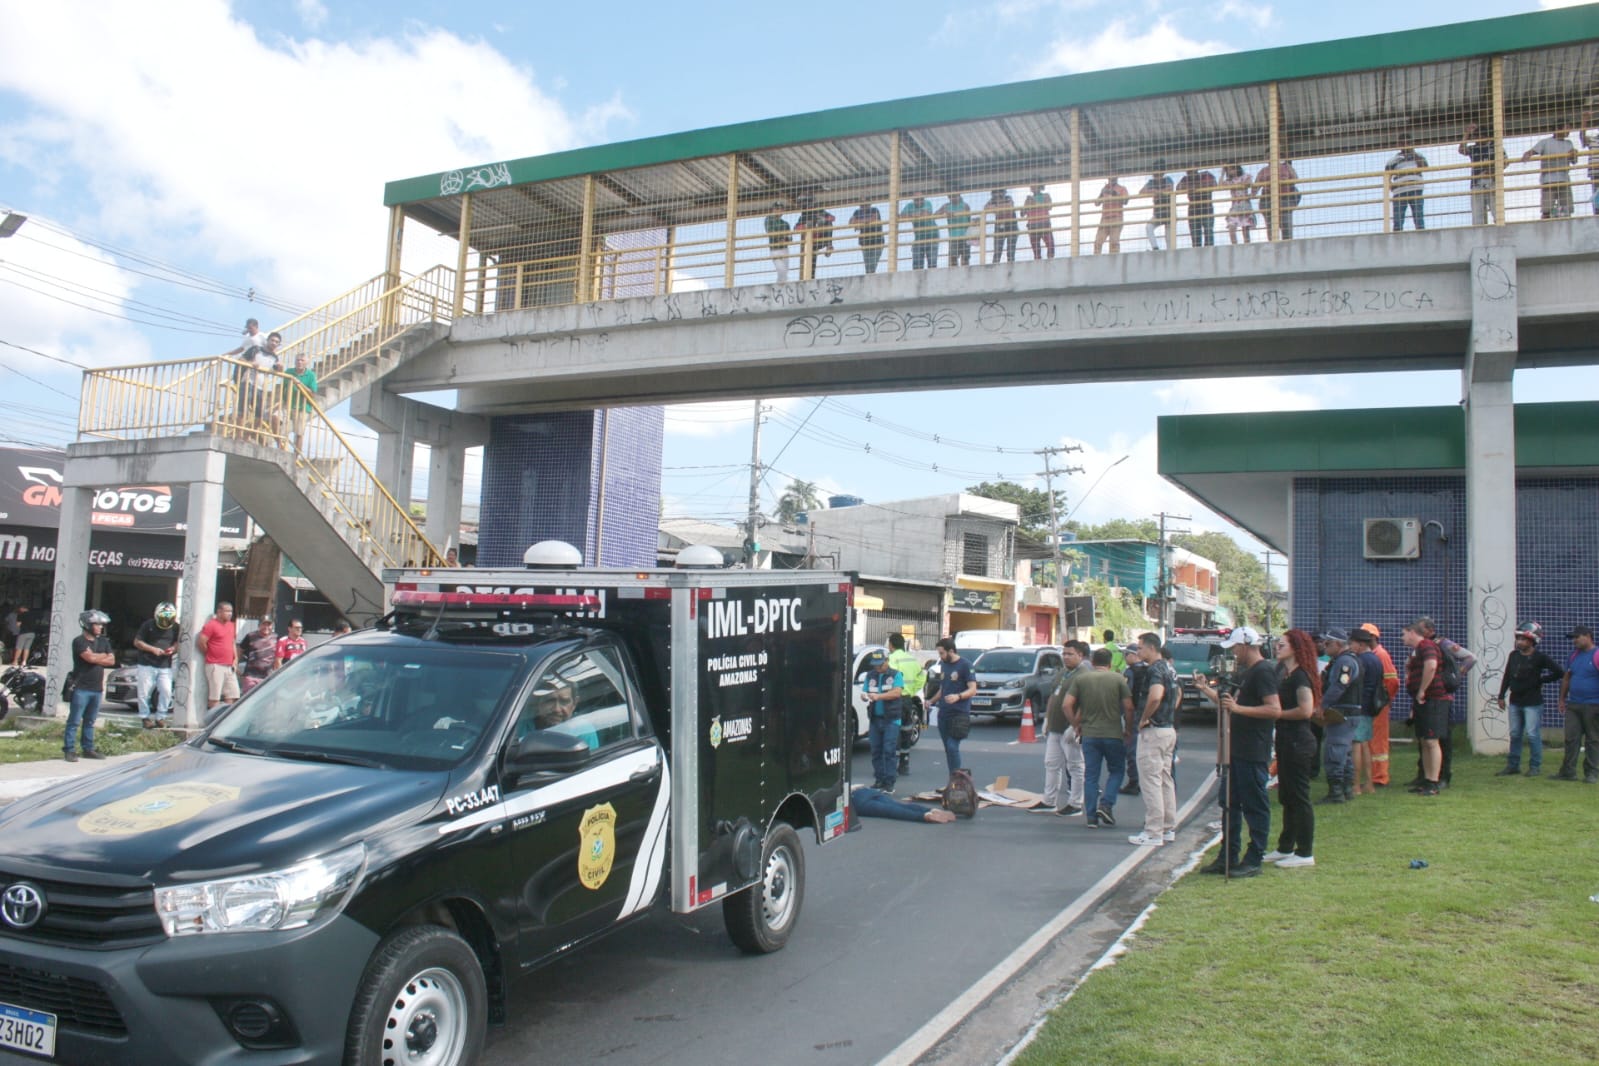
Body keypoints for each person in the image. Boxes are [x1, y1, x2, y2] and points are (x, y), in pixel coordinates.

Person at [1194, 626, 1281, 878]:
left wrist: (1240, 710)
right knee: (1229, 803)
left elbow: (1273, 709)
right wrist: (1205, 690)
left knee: (1254, 804)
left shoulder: (1263, 672)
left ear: (1245, 646)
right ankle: (1228, 855)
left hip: (1253, 749)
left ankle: (1254, 857)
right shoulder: (1246, 673)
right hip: (1236, 748)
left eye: (1234, 648)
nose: (1233, 652)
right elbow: (1229, 705)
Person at [1262, 629, 1320, 868]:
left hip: (1298, 741)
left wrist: (1277, 714)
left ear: (1296, 648)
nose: (1278, 647)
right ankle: (1286, 847)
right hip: (1286, 740)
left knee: (1299, 797)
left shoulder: (1300, 677)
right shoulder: (1285, 674)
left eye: (1283, 644)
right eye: (1277, 644)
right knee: (1286, 795)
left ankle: (1305, 852)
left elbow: (1306, 710)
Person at [1063, 646, 1134, 829]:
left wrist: (1076, 725)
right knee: (1117, 771)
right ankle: (1106, 804)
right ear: (1110, 663)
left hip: (1090, 735)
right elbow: (1128, 707)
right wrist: (1129, 729)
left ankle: (1091, 817)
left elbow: (1067, 705)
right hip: (1113, 733)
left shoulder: (1082, 679)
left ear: (1092, 662)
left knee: (1091, 776)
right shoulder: (1118, 679)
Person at [1128, 632, 1179, 847]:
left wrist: (1145, 718)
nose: (1138, 652)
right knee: (1165, 779)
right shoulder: (1169, 668)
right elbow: (1175, 696)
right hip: (1168, 728)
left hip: (1154, 731)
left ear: (1151, 648)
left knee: (1151, 781)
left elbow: (1156, 695)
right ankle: (1168, 827)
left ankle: (1153, 831)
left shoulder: (1155, 669)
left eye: (1140, 648)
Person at [1495, 622, 1561, 777]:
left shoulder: (1540, 657)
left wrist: (1541, 680)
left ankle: (1535, 766)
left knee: (1532, 734)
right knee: (1515, 733)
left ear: (1533, 641)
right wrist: (1501, 695)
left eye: (1523, 639)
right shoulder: (1514, 655)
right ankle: (1513, 765)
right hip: (1515, 701)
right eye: (1518, 638)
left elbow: (1559, 672)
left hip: (1533, 702)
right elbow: (1507, 676)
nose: (1520, 642)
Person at [1037, 640, 1089, 816]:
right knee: (1051, 764)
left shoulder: (1083, 675)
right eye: (1064, 654)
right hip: (1055, 726)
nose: (1066, 657)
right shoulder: (1063, 672)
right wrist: (1046, 719)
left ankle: (1075, 803)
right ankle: (1049, 800)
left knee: (1075, 766)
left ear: (1080, 656)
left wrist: (1075, 726)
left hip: (1070, 728)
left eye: (1070, 654)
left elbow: (1084, 704)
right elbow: (1054, 695)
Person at [1402, 619, 1449, 796]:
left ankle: (1433, 782)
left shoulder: (1426, 645)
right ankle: (1427, 779)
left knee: (1431, 740)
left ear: (1412, 632)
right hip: (1422, 701)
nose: (1402, 638)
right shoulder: (1417, 650)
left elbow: (1431, 665)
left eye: (1404, 634)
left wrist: (1422, 690)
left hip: (1433, 700)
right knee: (1424, 740)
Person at [1316, 628, 1362, 803]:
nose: (1324, 647)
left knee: (1334, 751)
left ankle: (1336, 792)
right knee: (1345, 752)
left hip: (1343, 712)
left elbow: (1339, 687)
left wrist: (1323, 705)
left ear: (1337, 644)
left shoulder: (1345, 662)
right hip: (1347, 712)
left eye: (1327, 643)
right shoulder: (1344, 660)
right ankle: (1346, 789)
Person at [64, 609, 115, 762]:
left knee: (90, 721)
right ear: (87, 625)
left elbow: (112, 660)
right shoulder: (79, 641)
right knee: (74, 720)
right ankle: (69, 749)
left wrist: (96, 657)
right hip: (81, 687)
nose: (100, 627)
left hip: (97, 689)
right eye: (96, 624)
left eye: (100, 624)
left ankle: (88, 748)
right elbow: (89, 658)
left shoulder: (103, 641)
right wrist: (101, 656)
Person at [1555, 623, 1599, 783]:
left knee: (1593, 739)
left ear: (1587, 636)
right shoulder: (1573, 656)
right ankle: (1568, 771)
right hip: (1574, 704)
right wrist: (1562, 699)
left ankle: (1591, 773)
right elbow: (1567, 678)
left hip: (1594, 705)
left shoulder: (1597, 654)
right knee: (1571, 738)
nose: (1574, 641)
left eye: (1576, 637)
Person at [1346, 625, 1386, 794]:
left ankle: (1355, 785)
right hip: (1370, 706)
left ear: (1361, 645)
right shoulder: (1376, 659)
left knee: (1356, 743)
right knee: (1365, 745)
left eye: (1352, 643)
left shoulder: (1360, 660)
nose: (1350, 646)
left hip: (1360, 706)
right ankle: (1368, 784)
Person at [1360, 622, 1399, 786]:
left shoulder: (1380, 655)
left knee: (1378, 741)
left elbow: (1393, 681)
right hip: (1376, 703)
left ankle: (1380, 776)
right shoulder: (1375, 654)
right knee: (1371, 740)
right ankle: (1375, 775)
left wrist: (1385, 700)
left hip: (1378, 705)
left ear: (1373, 638)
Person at [132, 601, 179, 728]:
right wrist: (152, 649)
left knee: (166, 691)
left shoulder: (175, 627)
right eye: (163, 619)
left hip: (164, 664)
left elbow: (178, 642)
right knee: (144, 692)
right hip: (146, 663)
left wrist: (173, 649)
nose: (165, 622)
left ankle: (161, 717)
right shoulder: (148, 625)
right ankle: (144, 717)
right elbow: (137, 642)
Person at [861, 650, 903, 792]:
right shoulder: (870, 675)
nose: (877, 668)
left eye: (880, 665)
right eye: (875, 665)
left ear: (887, 661)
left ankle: (889, 782)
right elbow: (865, 690)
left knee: (889, 750)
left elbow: (897, 692)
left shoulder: (896, 674)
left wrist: (879, 696)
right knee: (876, 750)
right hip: (875, 719)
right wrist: (864, 695)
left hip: (891, 719)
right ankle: (879, 779)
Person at [931, 637, 976, 771]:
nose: (940, 657)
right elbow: (943, 688)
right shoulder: (944, 665)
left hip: (959, 713)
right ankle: (953, 780)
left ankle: (956, 780)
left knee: (952, 746)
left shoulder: (965, 665)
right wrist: (931, 701)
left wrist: (958, 696)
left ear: (951, 651)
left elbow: (973, 689)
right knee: (948, 749)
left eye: (942, 653)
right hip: (943, 713)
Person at [1521, 125, 1577, 220]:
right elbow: (1532, 152)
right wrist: (1527, 154)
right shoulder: (1545, 142)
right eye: (1567, 128)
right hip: (1548, 180)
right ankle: (1546, 228)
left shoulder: (1569, 143)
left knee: (1565, 208)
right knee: (1546, 209)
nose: (1569, 131)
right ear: (1558, 129)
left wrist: (1574, 154)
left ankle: (1563, 225)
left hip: (1564, 179)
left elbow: (1574, 161)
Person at [1458, 124, 1503, 226]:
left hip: (1492, 183)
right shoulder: (1474, 148)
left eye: (1479, 136)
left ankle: (1501, 230)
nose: (1477, 139)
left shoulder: (1495, 146)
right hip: (1477, 184)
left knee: (1497, 213)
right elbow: (1461, 150)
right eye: (1475, 137)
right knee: (1477, 217)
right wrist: (1466, 134)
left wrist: (1490, 171)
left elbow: (1505, 162)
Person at [533, 680, 600, 750]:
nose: (557, 709)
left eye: (564, 702)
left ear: (575, 703)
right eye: (550, 701)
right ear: (538, 702)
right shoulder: (521, 724)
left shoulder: (583, 731)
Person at [197, 601, 240, 709]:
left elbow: (232, 642)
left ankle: (226, 720)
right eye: (227, 611)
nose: (230, 614)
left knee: (233, 694)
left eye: (231, 611)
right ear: (219, 612)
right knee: (215, 696)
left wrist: (235, 659)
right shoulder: (211, 625)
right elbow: (201, 642)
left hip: (229, 665)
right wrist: (210, 653)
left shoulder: (231, 625)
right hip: (215, 665)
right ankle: (213, 721)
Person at [1120, 642, 1147, 796]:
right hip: (1147, 714)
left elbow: (1126, 695)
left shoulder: (1130, 673)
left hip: (1135, 713)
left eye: (1126, 654)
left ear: (1133, 655)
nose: (1124, 658)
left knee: (1131, 748)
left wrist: (1127, 724)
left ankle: (1134, 781)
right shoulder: (1148, 669)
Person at [851, 786, 956, 823]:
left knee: (890, 810)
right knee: (897, 805)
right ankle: (929, 810)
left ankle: (925, 816)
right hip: (862, 791)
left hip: (854, 801)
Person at [1385, 146, 1429, 231]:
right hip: (1399, 191)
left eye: (1408, 143)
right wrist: (1390, 185)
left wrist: (1413, 154)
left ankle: (1421, 233)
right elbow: (1386, 174)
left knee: (1418, 215)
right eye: (1403, 143)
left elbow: (1425, 166)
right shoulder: (1394, 159)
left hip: (1415, 188)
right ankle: (1397, 236)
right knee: (1398, 219)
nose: (1406, 145)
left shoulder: (1418, 156)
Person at [1255, 158, 1301, 240]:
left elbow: (1295, 180)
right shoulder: (1263, 170)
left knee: (1286, 225)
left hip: (1284, 198)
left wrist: (1284, 180)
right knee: (1271, 226)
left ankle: (1287, 245)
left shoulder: (1286, 167)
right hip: (1268, 200)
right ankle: (1273, 244)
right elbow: (1255, 187)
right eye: (1267, 156)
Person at [284, 349, 318, 448]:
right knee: (276, 420)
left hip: (302, 407)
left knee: (299, 433)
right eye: (298, 360)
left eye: (302, 360)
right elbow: (283, 388)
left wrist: (300, 384)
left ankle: (296, 455)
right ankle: (281, 446)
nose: (299, 362)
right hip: (288, 404)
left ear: (306, 363)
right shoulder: (289, 372)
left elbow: (312, 394)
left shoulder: (310, 375)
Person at [1177, 167, 1217, 248]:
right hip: (1193, 209)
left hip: (1206, 207)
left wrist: (1195, 187)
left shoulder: (1206, 174)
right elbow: (1178, 188)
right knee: (1195, 235)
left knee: (1208, 232)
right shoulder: (1186, 178)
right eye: (1189, 171)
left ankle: (1209, 251)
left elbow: (1214, 184)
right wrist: (1192, 187)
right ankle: (1197, 252)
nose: (1190, 173)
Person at [238, 616, 277, 694]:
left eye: (268, 625)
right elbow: (240, 650)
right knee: (248, 699)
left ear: (272, 626)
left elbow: (278, 655)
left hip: (268, 676)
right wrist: (236, 664)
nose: (266, 627)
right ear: (259, 625)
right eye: (264, 624)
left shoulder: (276, 637)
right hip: (251, 676)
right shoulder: (250, 636)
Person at [1140, 167, 1175, 252]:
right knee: (1149, 227)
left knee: (1169, 236)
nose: (1156, 175)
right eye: (1155, 173)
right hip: (1158, 212)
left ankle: (1170, 252)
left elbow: (1170, 188)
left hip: (1169, 211)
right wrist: (1154, 191)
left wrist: (1157, 192)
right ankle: (1155, 248)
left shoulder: (1167, 179)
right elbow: (1141, 192)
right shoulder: (1151, 182)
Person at [902, 195, 939, 270]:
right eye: (916, 199)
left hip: (932, 236)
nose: (919, 201)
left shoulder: (927, 203)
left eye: (921, 199)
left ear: (923, 199)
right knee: (917, 265)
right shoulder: (910, 206)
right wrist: (917, 215)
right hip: (919, 238)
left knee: (932, 264)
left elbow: (926, 214)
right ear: (913, 200)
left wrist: (911, 215)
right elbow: (901, 216)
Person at [1221, 163, 1255, 244]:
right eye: (1228, 170)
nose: (1230, 171)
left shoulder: (1245, 176)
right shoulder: (1230, 181)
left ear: (1237, 169)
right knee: (1231, 226)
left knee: (1245, 229)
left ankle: (1247, 245)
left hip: (1244, 205)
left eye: (1232, 169)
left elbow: (1249, 183)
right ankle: (1234, 245)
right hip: (1235, 206)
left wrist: (1251, 194)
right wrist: (1222, 174)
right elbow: (1220, 185)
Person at [1093, 177, 1128, 255]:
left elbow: (1126, 201)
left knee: (1114, 242)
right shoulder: (1104, 189)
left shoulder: (1122, 188)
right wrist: (1102, 194)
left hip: (1116, 217)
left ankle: (1114, 262)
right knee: (1098, 242)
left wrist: (1115, 194)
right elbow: (1096, 203)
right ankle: (1096, 258)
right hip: (1105, 219)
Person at [849, 202, 885, 275]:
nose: (863, 206)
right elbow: (851, 222)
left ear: (869, 204)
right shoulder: (857, 212)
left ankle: (870, 278)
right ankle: (870, 277)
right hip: (865, 242)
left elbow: (874, 219)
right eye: (862, 204)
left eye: (865, 204)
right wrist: (866, 222)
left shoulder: (874, 210)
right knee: (868, 266)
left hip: (877, 241)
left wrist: (860, 223)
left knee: (872, 265)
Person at [939, 192, 973, 268]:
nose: (953, 198)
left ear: (959, 196)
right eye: (951, 197)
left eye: (955, 196)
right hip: (953, 237)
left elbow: (969, 220)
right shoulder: (946, 206)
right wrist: (945, 213)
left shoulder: (965, 205)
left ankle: (966, 274)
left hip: (965, 236)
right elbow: (935, 215)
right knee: (953, 259)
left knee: (965, 259)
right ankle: (954, 275)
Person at [1022, 184, 1054, 259]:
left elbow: (1049, 206)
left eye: (1034, 185)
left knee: (1050, 245)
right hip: (1032, 225)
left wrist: (1034, 203)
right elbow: (1022, 213)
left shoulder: (1045, 196)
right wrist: (1027, 205)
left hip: (1044, 223)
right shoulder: (1028, 199)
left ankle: (1050, 261)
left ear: (1040, 187)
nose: (1032, 187)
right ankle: (1037, 263)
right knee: (1036, 250)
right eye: (1031, 186)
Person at [987, 189, 1018, 264]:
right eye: (995, 193)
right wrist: (1002, 208)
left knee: (1011, 250)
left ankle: (1011, 266)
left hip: (1011, 225)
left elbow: (1010, 206)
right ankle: (995, 266)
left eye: (1000, 192)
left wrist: (996, 207)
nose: (997, 195)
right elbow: (986, 208)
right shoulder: (992, 200)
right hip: (1000, 226)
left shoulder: (1008, 198)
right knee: (997, 250)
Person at [764, 205, 792, 283]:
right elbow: (770, 231)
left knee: (785, 271)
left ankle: (780, 286)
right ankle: (779, 286)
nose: (778, 211)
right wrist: (780, 238)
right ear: (772, 210)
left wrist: (785, 239)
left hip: (784, 249)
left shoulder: (785, 223)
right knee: (781, 269)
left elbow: (790, 237)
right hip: (775, 249)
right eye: (776, 209)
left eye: (780, 209)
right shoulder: (769, 219)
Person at [1581, 112, 1599, 216]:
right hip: (1595, 173)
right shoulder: (1593, 139)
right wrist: (1584, 121)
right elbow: (1583, 138)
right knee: (1597, 199)